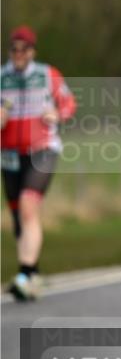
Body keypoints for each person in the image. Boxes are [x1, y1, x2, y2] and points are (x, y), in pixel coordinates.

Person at [1, 25, 77, 301]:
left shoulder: (47, 75)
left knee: (28, 205)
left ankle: (23, 275)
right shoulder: (2, 77)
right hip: (10, 154)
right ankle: (32, 273)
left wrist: (58, 114)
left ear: (33, 51)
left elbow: (69, 103)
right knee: (18, 217)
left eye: (25, 49)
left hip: (42, 150)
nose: (19, 54)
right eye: (15, 49)